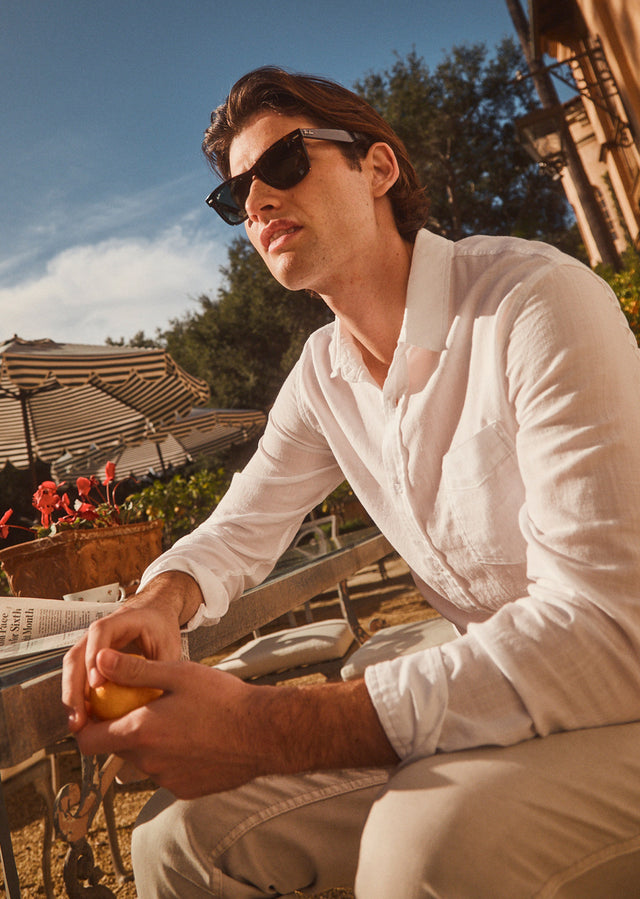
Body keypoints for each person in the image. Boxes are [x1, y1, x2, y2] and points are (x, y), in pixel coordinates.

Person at [62, 65, 640, 898]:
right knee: (178, 839)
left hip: (621, 696)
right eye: (235, 199)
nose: (256, 202)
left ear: (379, 169)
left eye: (285, 163)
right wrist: (162, 597)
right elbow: (239, 527)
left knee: (424, 849)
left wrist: (263, 728)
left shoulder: (533, 301)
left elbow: (605, 634)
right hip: (501, 699)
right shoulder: (321, 377)